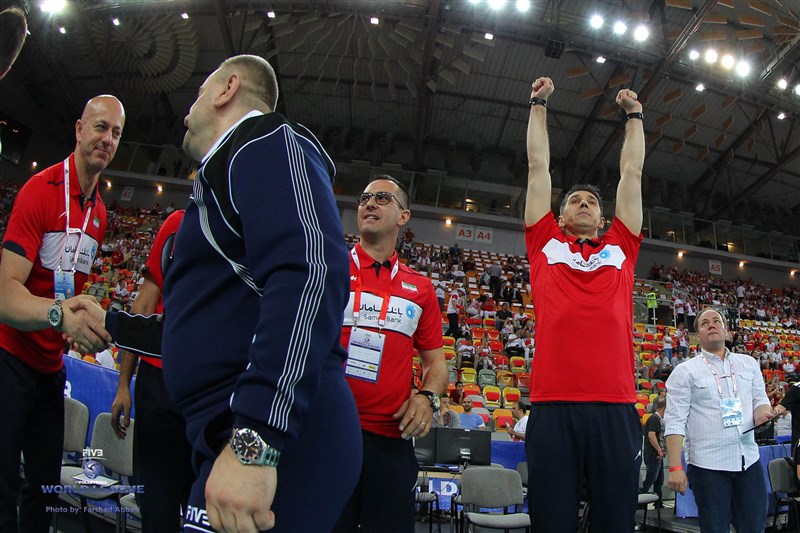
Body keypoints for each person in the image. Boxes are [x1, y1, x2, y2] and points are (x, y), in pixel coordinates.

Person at [523, 76, 645, 532]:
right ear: (559, 215)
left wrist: (634, 116)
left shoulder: (622, 247)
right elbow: (538, 167)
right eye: (574, 199)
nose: (583, 203)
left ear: (603, 216)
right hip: (553, 406)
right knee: (551, 522)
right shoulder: (544, 243)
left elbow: (631, 174)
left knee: (615, 523)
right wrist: (538, 104)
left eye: (592, 200)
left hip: (615, 406)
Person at [0, 95, 124, 532]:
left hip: (50, 371)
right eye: (100, 127)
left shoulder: (101, 215)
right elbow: (4, 293)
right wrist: (60, 317)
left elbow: (71, 291)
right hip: (10, 360)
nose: (107, 140)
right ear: (78, 129)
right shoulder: (41, 190)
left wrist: (86, 319)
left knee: (44, 488)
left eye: (116, 134)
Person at [335, 176, 447, 533]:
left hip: (390, 442)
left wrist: (428, 397)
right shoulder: (327, 269)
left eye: (382, 198)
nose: (369, 203)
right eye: (365, 197)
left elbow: (436, 363)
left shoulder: (422, 288)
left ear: (403, 216)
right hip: (327, 434)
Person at [109, 210, 193, 533]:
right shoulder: (176, 225)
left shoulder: (245, 232)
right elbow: (143, 307)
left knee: (203, 515)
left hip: (208, 394)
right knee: (157, 513)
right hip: (157, 386)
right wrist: (122, 385)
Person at [665, 308, 774, 533]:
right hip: (708, 466)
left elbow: (760, 400)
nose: (712, 325)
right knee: (715, 529)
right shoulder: (685, 372)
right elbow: (675, 421)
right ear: (698, 335)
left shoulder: (749, 364)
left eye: (717, 321)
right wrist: (675, 466)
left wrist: (764, 413)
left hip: (748, 460)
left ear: (726, 330)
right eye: (705, 323)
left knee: (754, 527)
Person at [641, 398, 666, 506]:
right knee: (651, 478)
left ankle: (658, 503)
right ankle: (640, 502)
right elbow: (651, 436)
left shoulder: (659, 419)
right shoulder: (654, 419)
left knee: (659, 480)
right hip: (653, 455)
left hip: (658, 455)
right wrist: (659, 450)